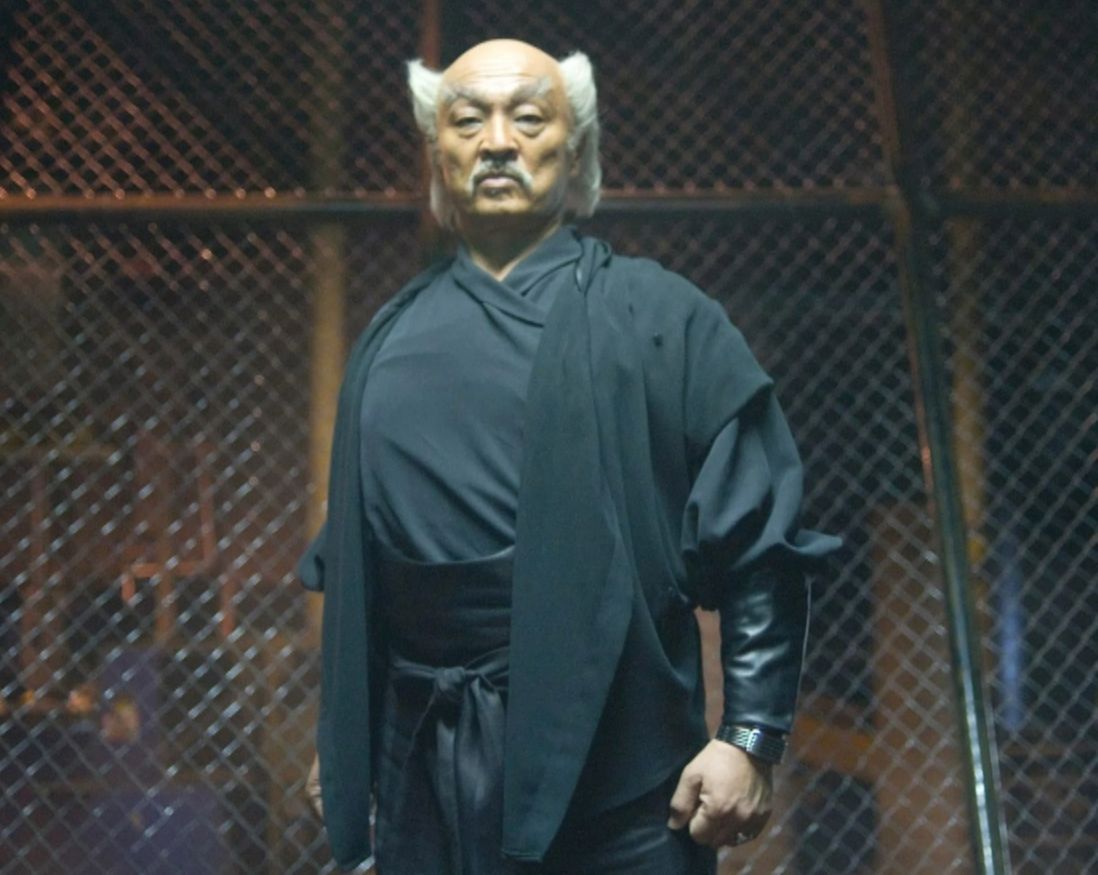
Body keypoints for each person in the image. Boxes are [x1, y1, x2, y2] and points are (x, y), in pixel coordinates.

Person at [299, 38, 840, 874]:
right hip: (423, 772)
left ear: (576, 148)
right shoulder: (387, 337)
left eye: (528, 117)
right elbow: (364, 574)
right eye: (468, 120)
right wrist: (347, 742)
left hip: (621, 779)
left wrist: (750, 734)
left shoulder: (662, 317)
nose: (497, 141)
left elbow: (759, 542)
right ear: (437, 153)